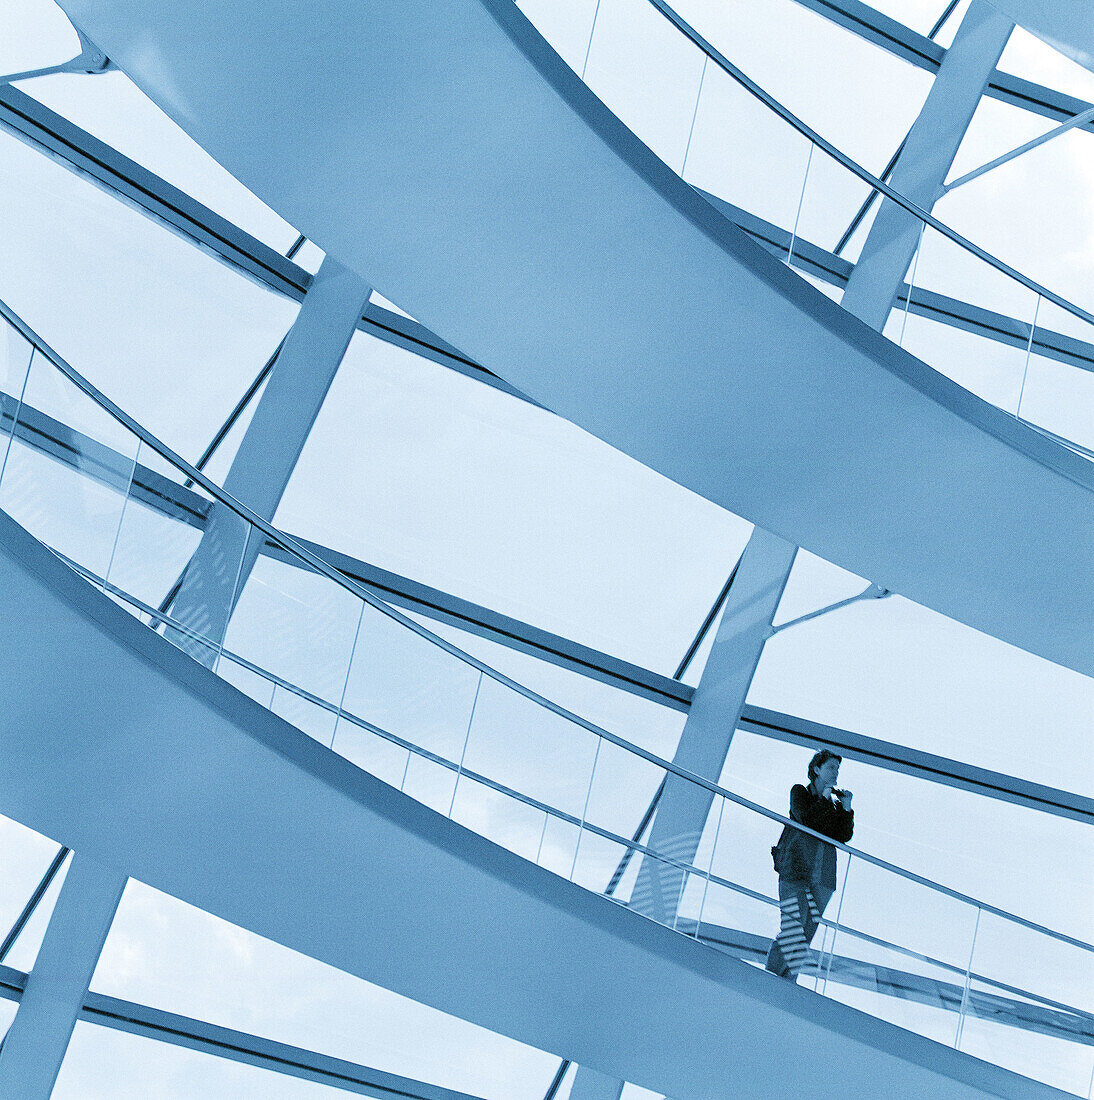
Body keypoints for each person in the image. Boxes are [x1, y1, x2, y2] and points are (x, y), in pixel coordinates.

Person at [765, 749, 853, 981]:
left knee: (805, 934)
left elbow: (842, 835)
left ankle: (787, 981)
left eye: (837, 768)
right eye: (831, 767)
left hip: (822, 877)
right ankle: (770, 978)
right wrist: (824, 798)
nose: (836, 772)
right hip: (796, 869)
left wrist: (845, 808)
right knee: (793, 928)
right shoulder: (800, 792)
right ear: (816, 769)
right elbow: (804, 819)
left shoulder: (832, 804)